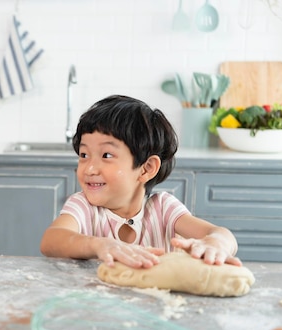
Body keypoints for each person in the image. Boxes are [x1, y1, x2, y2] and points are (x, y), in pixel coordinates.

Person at [40, 95, 242, 269]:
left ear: (146, 168)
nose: (89, 168)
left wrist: (215, 243)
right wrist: (99, 245)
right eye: (84, 154)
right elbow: (51, 240)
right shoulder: (83, 206)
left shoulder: (163, 208)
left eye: (107, 155)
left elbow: (222, 234)